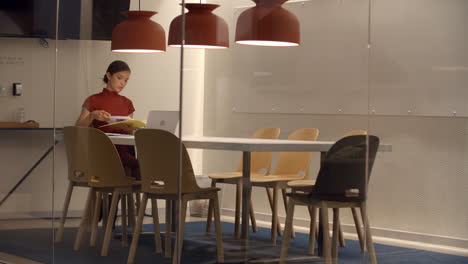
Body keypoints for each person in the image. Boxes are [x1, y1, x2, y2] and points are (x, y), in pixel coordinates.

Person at [76, 60, 139, 179]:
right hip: (103, 151)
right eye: (119, 78)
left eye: (126, 80)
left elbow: (129, 132)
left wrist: (130, 128)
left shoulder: (127, 102)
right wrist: (92, 116)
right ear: (109, 75)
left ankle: (116, 195)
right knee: (143, 167)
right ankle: (124, 193)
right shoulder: (93, 100)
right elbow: (78, 129)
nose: (123, 83)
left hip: (123, 150)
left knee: (141, 165)